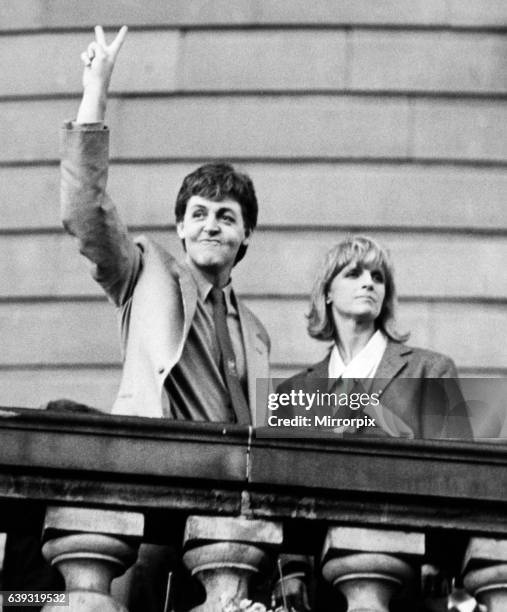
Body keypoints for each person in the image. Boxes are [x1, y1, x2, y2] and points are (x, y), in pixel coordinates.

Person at [61, 25, 269, 423]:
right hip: (161, 473)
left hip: (235, 483)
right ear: (180, 228)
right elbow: (84, 211)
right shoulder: (142, 274)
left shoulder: (257, 333)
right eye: (199, 214)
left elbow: (261, 432)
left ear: (246, 234)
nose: (210, 226)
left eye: (226, 217)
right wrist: (95, 93)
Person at [276, 236, 472, 440]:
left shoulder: (431, 371)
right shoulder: (291, 393)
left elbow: (457, 467)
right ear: (327, 293)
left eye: (378, 277)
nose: (369, 283)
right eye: (353, 274)